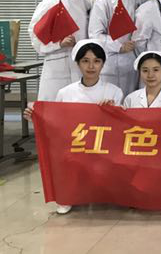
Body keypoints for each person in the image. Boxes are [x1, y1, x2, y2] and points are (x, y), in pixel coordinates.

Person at [23, 39, 122, 215]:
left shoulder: (114, 91)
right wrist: (36, 118)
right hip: (76, 146)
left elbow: (121, 126)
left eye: (96, 61)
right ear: (77, 63)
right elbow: (55, 123)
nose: (91, 66)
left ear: (103, 64)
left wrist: (113, 110)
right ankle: (67, 196)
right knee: (65, 159)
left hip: (104, 147)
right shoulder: (66, 92)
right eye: (85, 61)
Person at [28, 0, 92, 101]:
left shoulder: (88, 4)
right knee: (54, 106)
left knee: (81, 107)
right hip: (56, 64)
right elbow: (35, 35)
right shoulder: (49, 4)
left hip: (82, 64)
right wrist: (58, 44)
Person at [87, 0, 147, 96]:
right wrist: (119, 46)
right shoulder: (103, 2)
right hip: (110, 63)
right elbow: (95, 34)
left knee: (133, 100)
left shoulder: (143, 1)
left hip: (136, 62)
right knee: (110, 101)